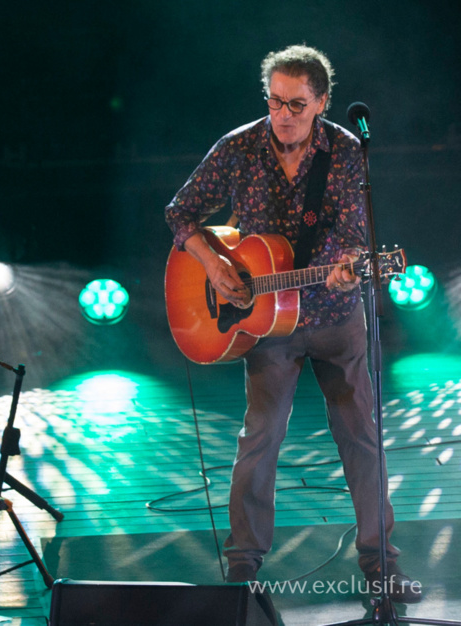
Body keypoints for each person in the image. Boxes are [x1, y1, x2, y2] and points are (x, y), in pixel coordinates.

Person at [165, 45, 421, 603]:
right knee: (260, 437)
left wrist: (349, 270)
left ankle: (381, 565)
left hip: (334, 317)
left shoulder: (347, 151)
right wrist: (213, 263)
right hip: (264, 321)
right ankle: (242, 571)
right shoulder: (238, 147)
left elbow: (355, 234)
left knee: (362, 436)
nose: (283, 114)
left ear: (322, 102)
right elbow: (179, 213)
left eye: (297, 105)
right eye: (275, 101)